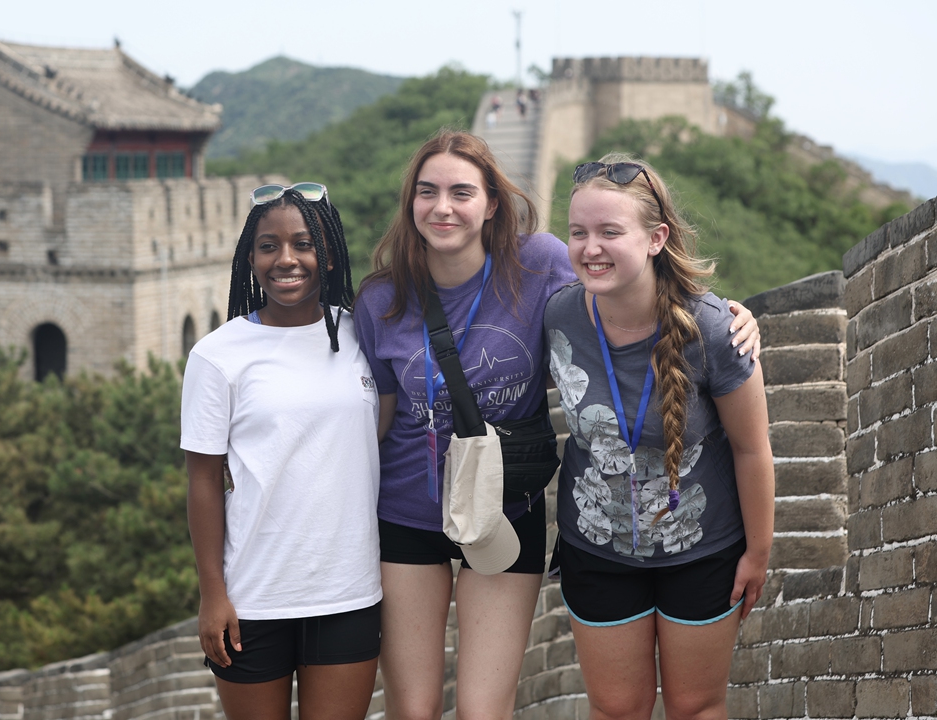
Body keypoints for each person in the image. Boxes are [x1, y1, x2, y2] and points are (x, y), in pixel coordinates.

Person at [354, 132, 761, 719]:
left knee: (481, 710)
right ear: (409, 202)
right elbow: (374, 420)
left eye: (461, 191)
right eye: (428, 191)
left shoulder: (541, 263)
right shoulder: (380, 300)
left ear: (492, 202)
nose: (443, 206)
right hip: (407, 510)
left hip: (505, 508)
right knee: (413, 710)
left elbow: (637, 295)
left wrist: (736, 321)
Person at [545, 156, 774, 720]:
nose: (590, 247)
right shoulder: (558, 315)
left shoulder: (714, 329)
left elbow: (751, 449)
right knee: (616, 708)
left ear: (655, 238)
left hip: (703, 549)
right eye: (578, 233)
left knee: (695, 706)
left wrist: (759, 552)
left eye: (609, 232)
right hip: (596, 548)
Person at [181, 183, 382, 720]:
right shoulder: (218, 355)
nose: (286, 259)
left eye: (303, 243)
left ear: (330, 254)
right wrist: (212, 594)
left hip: (348, 592)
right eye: (269, 246)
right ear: (250, 258)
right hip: (253, 598)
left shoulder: (364, 337)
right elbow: (203, 481)